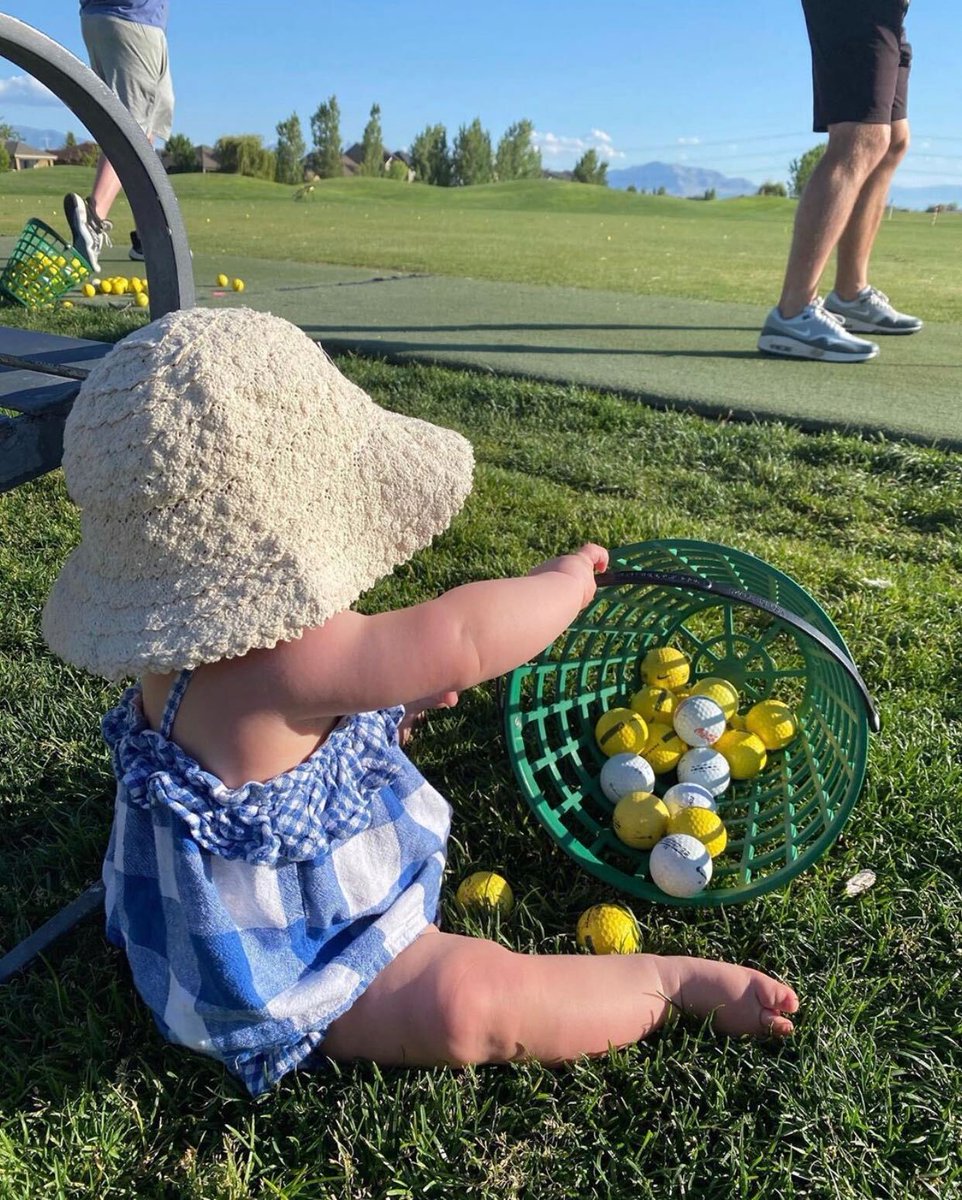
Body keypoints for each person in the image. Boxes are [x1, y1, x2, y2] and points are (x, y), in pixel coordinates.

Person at [41, 308, 798, 1096]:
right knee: (467, 1004)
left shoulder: (177, 638)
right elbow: (461, 638)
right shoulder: (298, 657)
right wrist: (563, 586)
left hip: (186, 904)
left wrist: (381, 700)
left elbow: (306, 711)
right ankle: (665, 985)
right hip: (289, 949)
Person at [758, 0, 922, 363]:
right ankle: (793, 313)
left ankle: (850, 292)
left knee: (893, 139)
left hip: (892, 11)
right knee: (861, 136)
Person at [64, 0, 174, 272]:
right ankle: (93, 220)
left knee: (150, 120)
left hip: (100, 19)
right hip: (133, 20)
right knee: (130, 130)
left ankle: (148, 238)